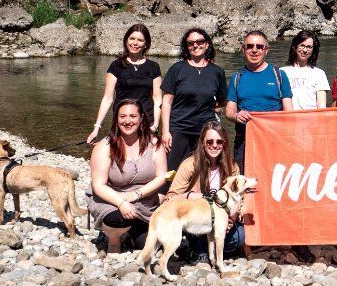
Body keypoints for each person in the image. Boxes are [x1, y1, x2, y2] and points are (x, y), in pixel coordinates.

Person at [89, 99, 170, 254]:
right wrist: (121, 202)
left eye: (132, 116)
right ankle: (113, 241)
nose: (127, 121)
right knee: (116, 218)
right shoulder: (104, 146)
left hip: (144, 200)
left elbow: (162, 177)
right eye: (122, 116)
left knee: (144, 244)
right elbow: (98, 185)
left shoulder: (154, 144)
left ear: (141, 118)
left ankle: (131, 232)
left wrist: (135, 195)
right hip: (111, 198)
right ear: (116, 119)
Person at [164, 120, 245, 261]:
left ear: (225, 143)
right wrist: (189, 196)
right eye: (210, 142)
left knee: (240, 237)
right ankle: (191, 246)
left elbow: (239, 200)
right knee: (199, 244)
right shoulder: (190, 165)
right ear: (202, 143)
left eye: (219, 142)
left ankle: (208, 251)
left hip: (219, 221)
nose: (214, 145)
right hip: (196, 221)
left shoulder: (232, 167)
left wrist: (232, 218)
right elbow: (169, 199)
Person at [161, 28, 227, 172]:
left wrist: (214, 106)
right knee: (171, 170)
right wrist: (165, 131)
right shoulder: (177, 69)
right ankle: (167, 195)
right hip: (179, 127)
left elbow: (222, 101)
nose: (195, 46)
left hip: (205, 129)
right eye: (191, 43)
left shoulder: (217, 72)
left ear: (207, 44)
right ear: (186, 46)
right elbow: (166, 102)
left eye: (200, 42)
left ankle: (200, 194)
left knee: (202, 169)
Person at [225, 30, 293, 170]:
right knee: (244, 183)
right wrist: (236, 116)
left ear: (266, 50)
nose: (254, 50)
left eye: (259, 46)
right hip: (244, 141)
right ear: (243, 49)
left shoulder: (279, 75)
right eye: (249, 46)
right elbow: (229, 111)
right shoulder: (237, 77)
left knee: (273, 181)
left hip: (274, 140)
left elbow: (289, 112)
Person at [87, 23, 162, 143]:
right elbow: (108, 98)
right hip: (123, 120)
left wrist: (155, 125)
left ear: (146, 44)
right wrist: (97, 128)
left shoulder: (153, 67)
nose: (135, 43)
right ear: (126, 41)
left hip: (147, 120)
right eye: (132, 39)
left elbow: (158, 99)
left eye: (140, 40)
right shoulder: (116, 65)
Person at [281, 30, 331, 111]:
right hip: (289, 120)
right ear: (295, 46)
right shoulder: (282, 72)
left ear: (313, 50)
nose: (304, 50)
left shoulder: (319, 73)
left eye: (309, 47)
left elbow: (321, 107)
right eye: (302, 45)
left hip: (311, 121)